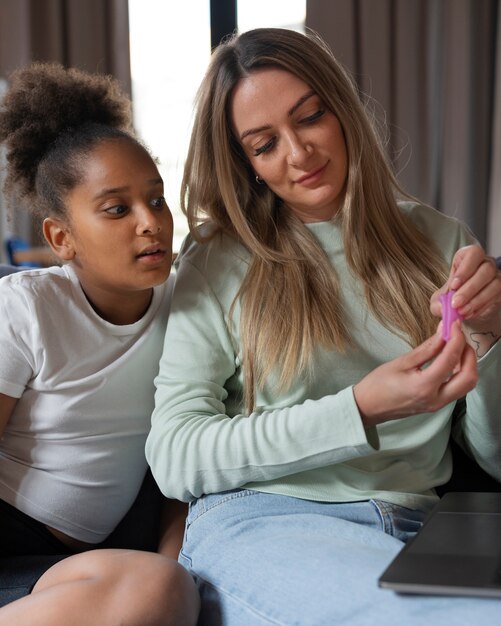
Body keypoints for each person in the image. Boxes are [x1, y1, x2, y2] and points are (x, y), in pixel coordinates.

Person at [145, 27, 501, 625]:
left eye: (310, 117)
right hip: (268, 520)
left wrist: (489, 339)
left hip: (426, 522)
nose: (299, 154)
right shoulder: (217, 261)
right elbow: (175, 456)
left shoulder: (442, 241)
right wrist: (359, 408)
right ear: (247, 164)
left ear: (343, 110)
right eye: (264, 145)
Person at [0, 63, 199, 625]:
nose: (150, 223)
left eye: (156, 200)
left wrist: (176, 580)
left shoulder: (189, 304)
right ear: (62, 238)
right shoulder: (27, 309)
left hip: (98, 557)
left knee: (161, 588)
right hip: (12, 539)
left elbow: (187, 464)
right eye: (117, 209)